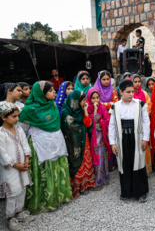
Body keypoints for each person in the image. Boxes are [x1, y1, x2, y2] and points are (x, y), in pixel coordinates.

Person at [19, 81, 72, 214]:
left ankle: (57, 197)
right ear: (41, 94)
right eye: (50, 90)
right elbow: (21, 130)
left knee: (56, 167)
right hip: (39, 144)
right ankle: (43, 201)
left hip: (56, 142)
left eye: (54, 89)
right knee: (44, 171)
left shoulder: (53, 105)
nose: (54, 92)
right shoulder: (29, 109)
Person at [109, 80, 150, 202]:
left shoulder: (140, 104)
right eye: (128, 92)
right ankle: (126, 191)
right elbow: (112, 126)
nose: (131, 94)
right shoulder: (115, 106)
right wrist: (113, 143)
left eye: (133, 91)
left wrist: (145, 139)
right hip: (122, 139)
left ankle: (140, 192)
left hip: (137, 138)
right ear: (121, 92)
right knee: (124, 163)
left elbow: (146, 122)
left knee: (138, 162)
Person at [0, 103, 35, 231]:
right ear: (3, 117)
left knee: (22, 189)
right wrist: (17, 165)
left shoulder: (19, 129)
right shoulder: (1, 133)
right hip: (10, 169)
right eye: (14, 116)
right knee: (12, 192)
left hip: (22, 167)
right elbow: (3, 155)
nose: (17, 119)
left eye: (18, 116)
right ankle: (10, 218)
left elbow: (25, 145)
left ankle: (19, 212)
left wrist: (25, 161)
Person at [61, 90, 96, 199]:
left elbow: (88, 123)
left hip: (83, 140)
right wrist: (81, 127)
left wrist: (85, 110)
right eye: (83, 100)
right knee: (76, 160)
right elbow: (69, 126)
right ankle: (77, 186)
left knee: (86, 159)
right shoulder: (66, 112)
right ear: (75, 101)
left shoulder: (81, 111)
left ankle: (86, 184)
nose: (85, 102)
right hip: (73, 142)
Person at [86, 88, 111, 189]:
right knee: (96, 157)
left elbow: (106, 120)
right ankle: (97, 180)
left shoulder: (103, 108)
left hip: (102, 137)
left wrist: (101, 122)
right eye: (93, 98)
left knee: (102, 157)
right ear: (89, 98)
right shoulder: (87, 108)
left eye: (97, 97)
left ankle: (104, 178)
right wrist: (95, 112)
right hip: (93, 137)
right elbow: (90, 122)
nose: (96, 100)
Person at [131, 74, 152, 175]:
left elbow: (148, 107)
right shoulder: (129, 94)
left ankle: (145, 170)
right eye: (135, 82)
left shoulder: (145, 94)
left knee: (144, 145)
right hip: (132, 125)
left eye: (139, 81)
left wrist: (141, 115)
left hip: (143, 124)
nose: (137, 84)